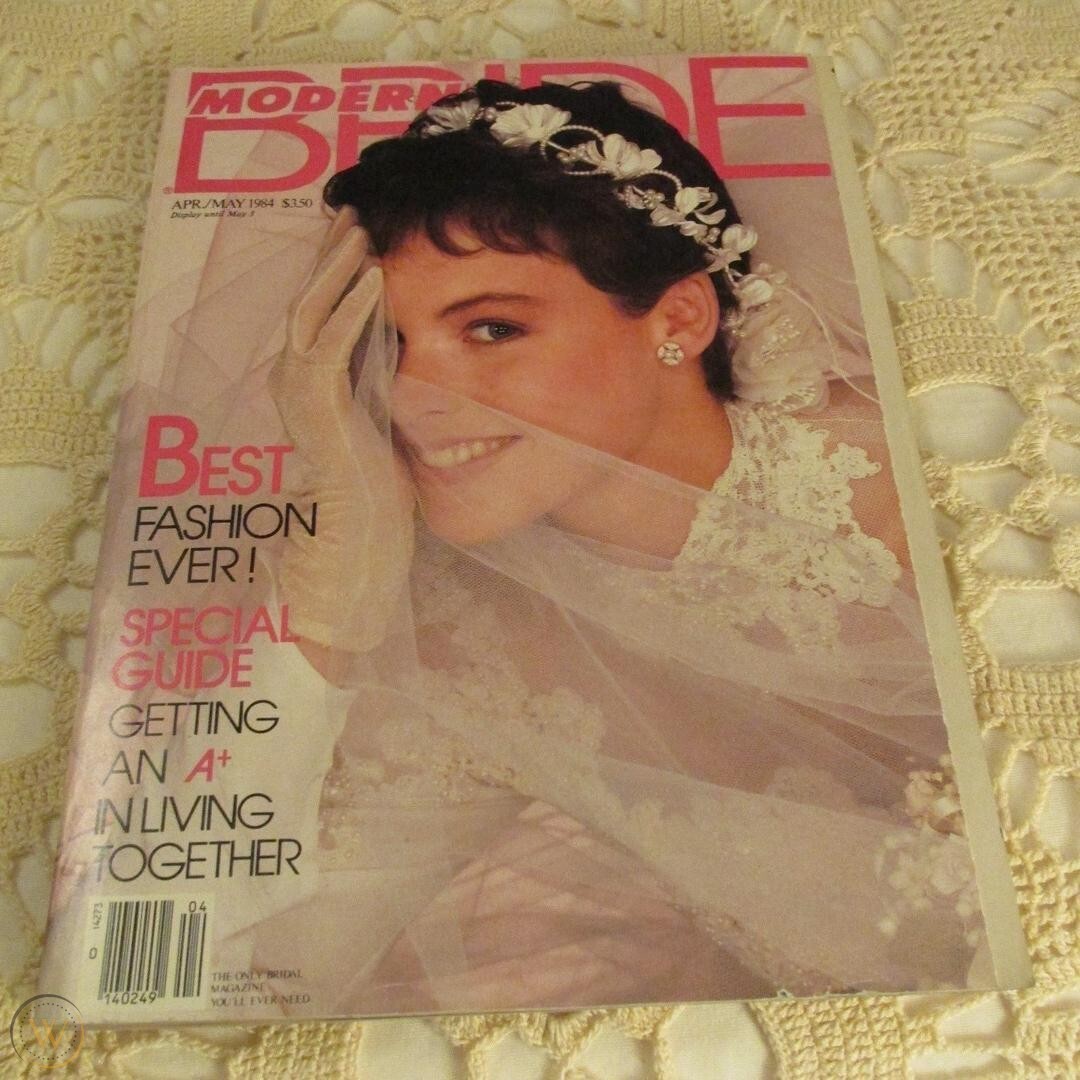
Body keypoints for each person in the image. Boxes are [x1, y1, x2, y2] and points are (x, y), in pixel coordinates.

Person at [260, 79, 988, 1011]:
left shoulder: (942, 478)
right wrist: (332, 591)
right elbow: (262, 961)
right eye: (385, 346)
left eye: (492, 328)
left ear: (678, 321)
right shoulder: (462, 640)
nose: (406, 400)